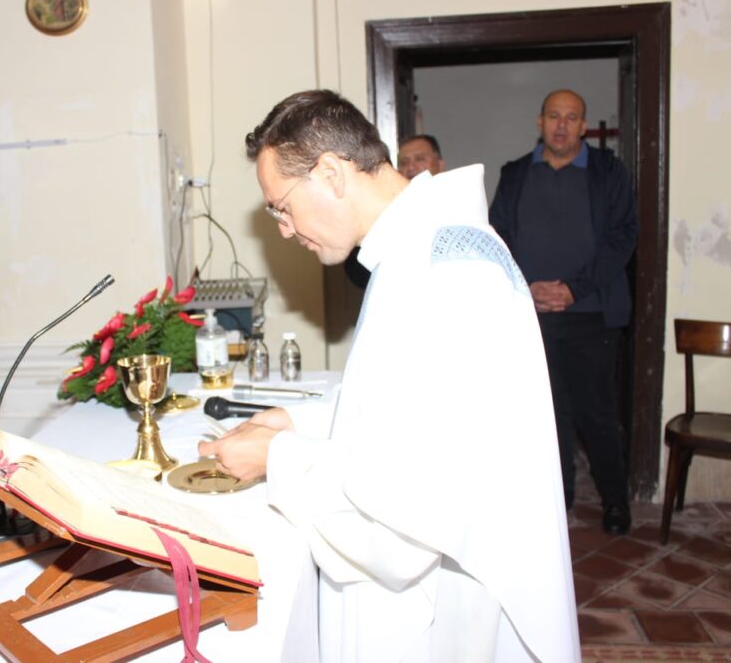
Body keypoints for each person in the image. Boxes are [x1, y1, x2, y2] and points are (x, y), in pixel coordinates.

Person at [200, 90, 579, 662]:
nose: (284, 229)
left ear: (331, 173)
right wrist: (301, 422)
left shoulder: (445, 270)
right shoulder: (417, 249)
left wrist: (278, 459)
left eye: (281, 207)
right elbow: (410, 411)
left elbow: (406, 514)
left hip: (449, 604)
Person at [489, 89, 637, 536]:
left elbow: (623, 237)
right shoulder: (515, 174)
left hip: (592, 314)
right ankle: (559, 501)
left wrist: (574, 289)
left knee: (597, 414)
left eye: (572, 118)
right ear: (540, 122)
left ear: (583, 127)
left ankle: (615, 502)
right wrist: (525, 287)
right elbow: (496, 237)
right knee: (546, 415)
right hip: (531, 315)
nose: (561, 125)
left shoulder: (608, 172)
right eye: (554, 116)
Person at [344, 133, 446, 288]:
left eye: (420, 159)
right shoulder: (384, 210)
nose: (411, 167)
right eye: (404, 162)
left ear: (440, 164)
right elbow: (357, 271)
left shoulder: (457, 205)